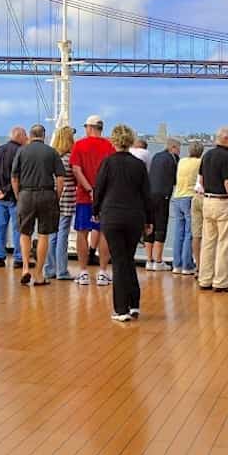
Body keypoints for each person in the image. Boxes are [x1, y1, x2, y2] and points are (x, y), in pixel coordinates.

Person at [93, 123, 152, 321]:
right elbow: (146, 194)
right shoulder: (138, 165)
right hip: (135, 216)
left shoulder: (107, 163)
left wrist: (95, 210)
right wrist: (149, 219)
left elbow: (98, 189)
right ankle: (134, 304)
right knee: (129, 258)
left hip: (112, 216)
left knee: (119, 261)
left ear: (114, 141)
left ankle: (121, 310)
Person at [12, 124, 66, 286]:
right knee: (44, 234)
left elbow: (14, 178)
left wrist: (18, 196)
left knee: (25, 233)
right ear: (44, 136)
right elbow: (60, 179)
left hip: (26, 195)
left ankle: (26, 268)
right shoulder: (52, 152)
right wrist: (56, 196)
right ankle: (39, 274)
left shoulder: (21, 151)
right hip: (47, 194)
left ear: (30, 135)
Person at [71, 115, 116, 286]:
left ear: (89, 128)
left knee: (82, 232)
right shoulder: (110, 146)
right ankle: (103, 271)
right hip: (105, 198)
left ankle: (83, 272)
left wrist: (89, 189)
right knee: (104, 232)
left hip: (84, 196)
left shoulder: (79, 145)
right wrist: (99, 191)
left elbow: (76, 169)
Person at [198, 127, 228, 292]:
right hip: (223, 202)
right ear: (226, 139)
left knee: (208, 242)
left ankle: (205, 278)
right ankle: (221, 281)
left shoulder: (207, 155)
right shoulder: (227, 158)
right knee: (225, 243)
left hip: (207, 201)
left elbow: (201, 180)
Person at [0, 127, 27, 267]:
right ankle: (18, 258)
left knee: (0, 227)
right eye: (25, 135)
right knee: (18, 228)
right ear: (20, 136)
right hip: (13, 197)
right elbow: (17, 176)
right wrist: (5, 191)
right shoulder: (20, 151)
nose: (27, 138)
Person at [45, 125, 77, 281]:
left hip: (52, 198)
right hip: (67, 199)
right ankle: (62, 270)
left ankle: (49, 268)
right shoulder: (70, 158)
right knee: (63, 235)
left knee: (53, 235)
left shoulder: (53, 156)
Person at [146, 139, 180, 271]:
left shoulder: (156, 156)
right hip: (162, 196)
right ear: (173, 147)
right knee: (161, 227)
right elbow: (176, 178)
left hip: (149, 195)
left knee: (149, 225)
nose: (179, 151)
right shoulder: (173, 159)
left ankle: (149, 260)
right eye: (178, 148)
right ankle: (158, 261)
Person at [169, 142, 203, 276]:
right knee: (190, 232)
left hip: (177, 196)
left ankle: (176, 264)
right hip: (190, 197)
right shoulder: (200, 162)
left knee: (179, 232)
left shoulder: (182, 161)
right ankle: (187, 264)